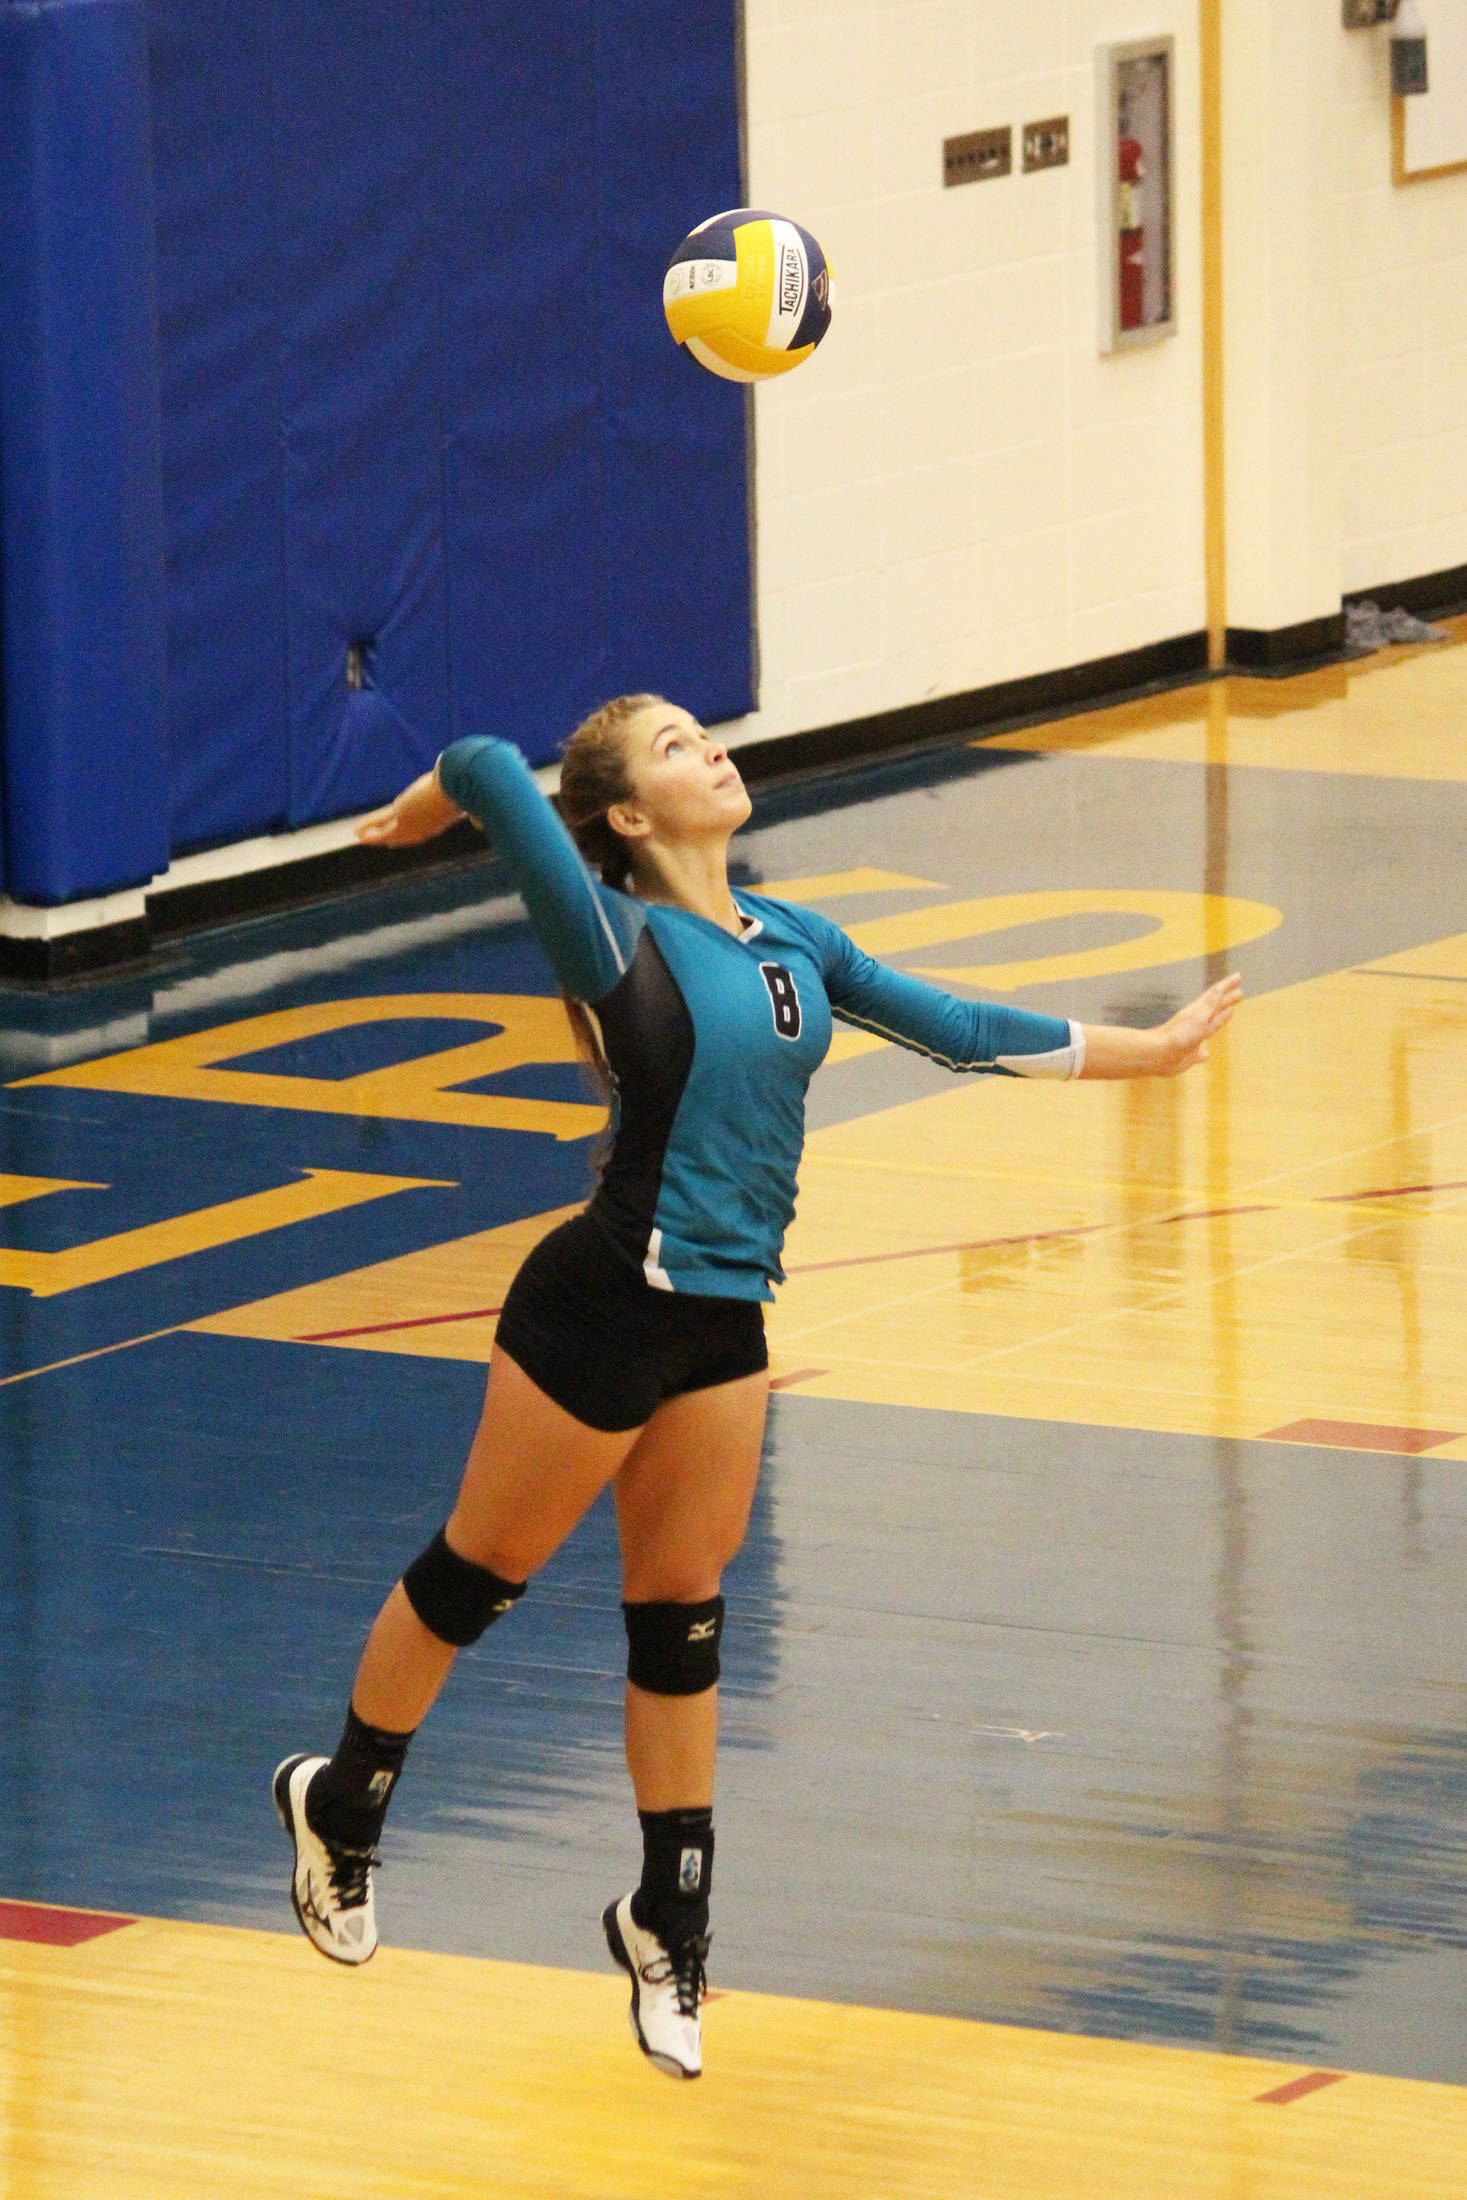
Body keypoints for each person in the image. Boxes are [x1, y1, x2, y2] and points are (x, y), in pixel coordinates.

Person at [273, 694, 1242, 2079]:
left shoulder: (797, 940)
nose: (712, 751)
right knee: (478, 1577)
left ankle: (668, 1921)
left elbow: (956, 1025)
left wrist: (1147, 1053)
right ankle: (344, 1806)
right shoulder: (613, 932)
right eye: (675, 749)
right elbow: (492, 763)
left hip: (726, 1315)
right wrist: (430, 808)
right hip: (605, 1301)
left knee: (683, 1624)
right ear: (624, 817)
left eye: (703, 734)